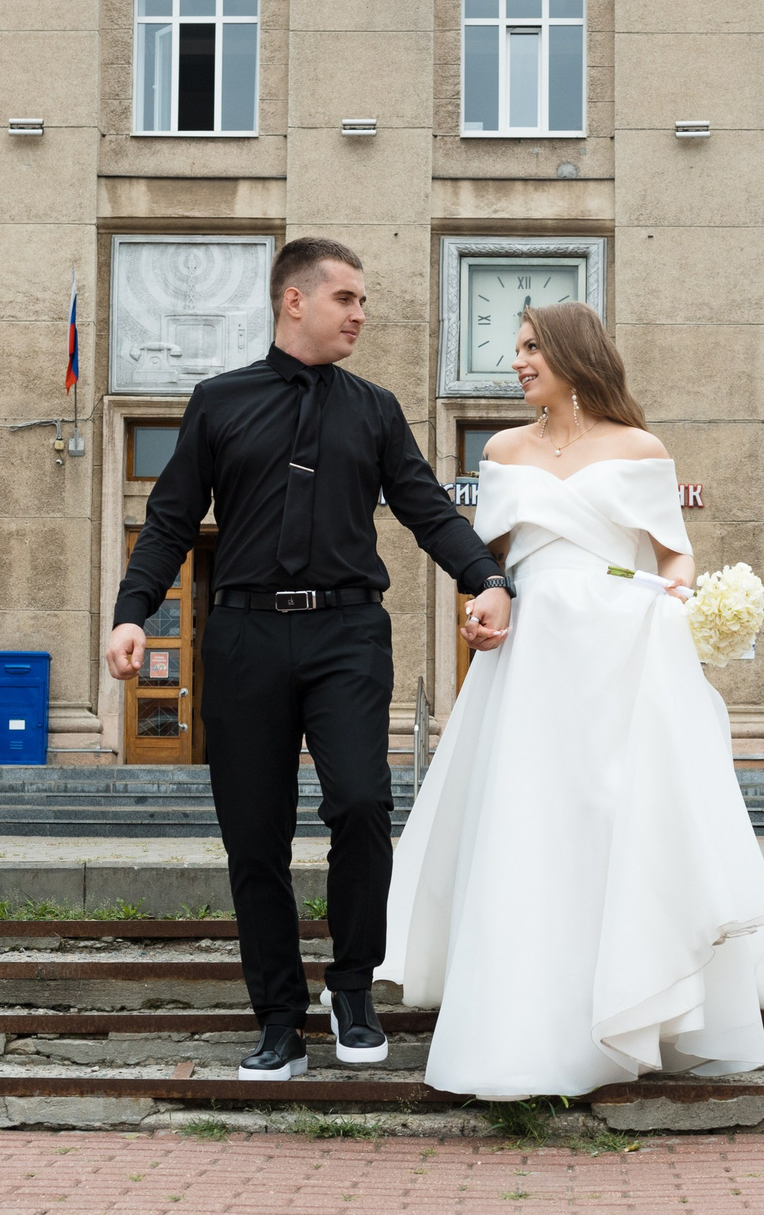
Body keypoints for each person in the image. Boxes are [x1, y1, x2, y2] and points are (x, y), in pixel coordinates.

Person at [378, 301, 764, 1100]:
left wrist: (678, 607)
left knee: (615, 821)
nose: (515, 361)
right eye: (514, 348)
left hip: (620, 652)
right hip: (533, 657)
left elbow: (676, 558)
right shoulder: (502, 452)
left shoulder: (639, 448)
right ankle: (519, 1031)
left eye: (530, 347)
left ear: (573, 356)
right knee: (527, 822)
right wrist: (481, 606)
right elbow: (491, 566)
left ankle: (632, 1004)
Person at [106, 238, 514, 1080]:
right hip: (246, 636)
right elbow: (172, 521)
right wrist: (132, 613)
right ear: (295, 301)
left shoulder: (374, 408)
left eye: (363, 301)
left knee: (363, 804)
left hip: (348, 634)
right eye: (347, 299)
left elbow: (426, 509)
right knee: (253, 837)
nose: (361, 314)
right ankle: (279, 1018)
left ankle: (353, 988)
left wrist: (489, 579)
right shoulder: (218, 404)